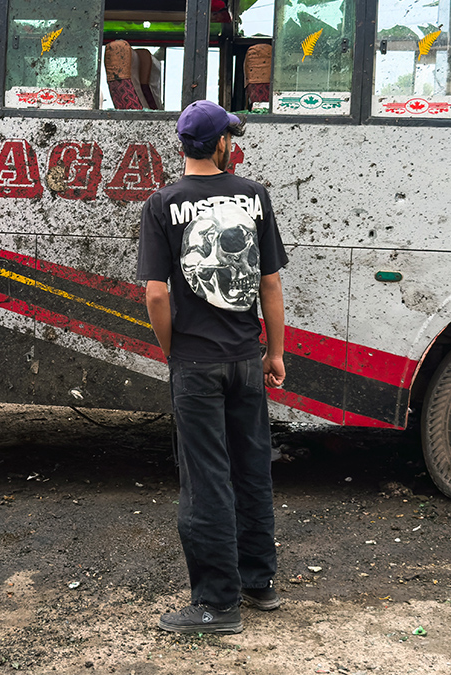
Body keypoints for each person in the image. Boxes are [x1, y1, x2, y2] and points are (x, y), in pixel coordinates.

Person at [136, 100, 288, 634]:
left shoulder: (161, 203)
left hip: (196, 362)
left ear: (182, 145)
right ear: (221, 144)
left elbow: (157, 295)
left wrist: (173, 347)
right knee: (252, 469)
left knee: (206, 481)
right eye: (230, 135)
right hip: (247, 358)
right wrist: (275, 352)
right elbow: (270, 283)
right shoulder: (254, 196)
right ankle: (259, 583)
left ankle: (217, 604)